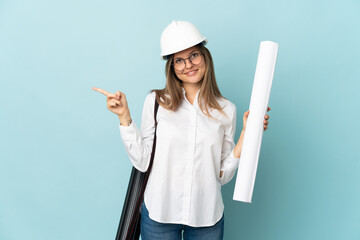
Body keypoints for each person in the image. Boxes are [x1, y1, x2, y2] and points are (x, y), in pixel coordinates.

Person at [92, 20, 270, 240]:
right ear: (172, 67)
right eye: (179, 60)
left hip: (207, 217)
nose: (188, 65)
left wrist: (246, 135)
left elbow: (221, 176)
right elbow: (143, 161)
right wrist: (124, 117)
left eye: (194, 55)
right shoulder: (156, 102)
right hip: (160, 215)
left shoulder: (227, 110)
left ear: (205, 57)